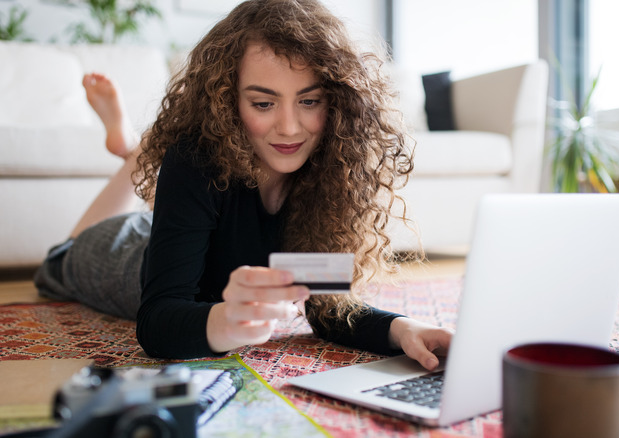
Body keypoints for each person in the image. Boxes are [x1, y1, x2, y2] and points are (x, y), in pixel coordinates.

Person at [35, 0, 452, 371]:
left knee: (161, 217)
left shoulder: (330, 168)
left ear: (335, 100)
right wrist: (225, 320)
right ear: (227, 101)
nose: (289, 128)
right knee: (61, 256)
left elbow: (326, 308)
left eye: (309, 101)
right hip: (120, 258)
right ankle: (134, 153)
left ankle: (136, 154)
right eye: (263, 103)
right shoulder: (195, 156)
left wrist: (403, 329)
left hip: (175, 236)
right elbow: (158, 322)